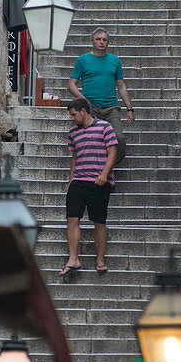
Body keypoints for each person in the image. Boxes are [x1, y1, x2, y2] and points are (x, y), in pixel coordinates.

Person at [60, 97, 118, 277]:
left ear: (83, 111)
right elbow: (74, 158)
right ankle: (73, 259)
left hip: (98, 182)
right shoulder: (73, 132)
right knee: (72, 218)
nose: (72, 118)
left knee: (99, 222)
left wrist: (104, 175)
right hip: (79, 181)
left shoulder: (105, 127)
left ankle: (100, 260)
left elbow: (113, 152)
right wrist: (71, 180)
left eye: (73, 114)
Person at [67, 27, 134, 165]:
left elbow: (121, 85)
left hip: (111, 107)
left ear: (108, 42)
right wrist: (83, 100)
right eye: (98, 39)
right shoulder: (83, 60)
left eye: (105, 39)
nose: (101, 42)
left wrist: (129, 109)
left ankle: (108, 166)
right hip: (91, 108)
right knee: (91, 139)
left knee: (119, 138)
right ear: (92, 41)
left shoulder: (115, 60)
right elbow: (71, 85)